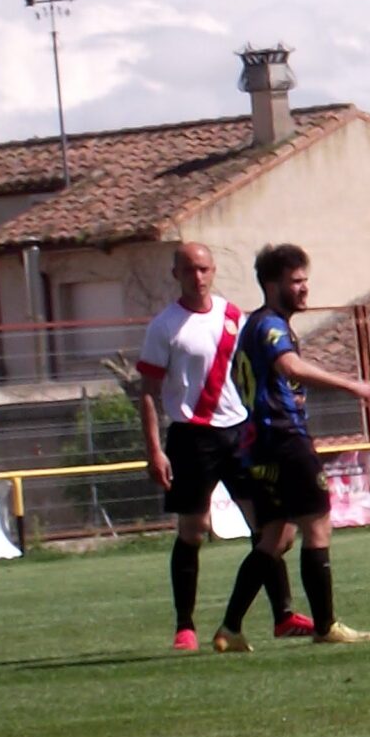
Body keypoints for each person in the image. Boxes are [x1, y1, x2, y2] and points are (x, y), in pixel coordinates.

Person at [220, 244, 370, 645]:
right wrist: (353, 385)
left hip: (260, 442)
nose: (304, 288)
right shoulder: (270, 326)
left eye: (305, 280)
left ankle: (230, 628)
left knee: (276, 536)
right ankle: (326, 626)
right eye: (295, 281)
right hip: (284, 438)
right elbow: (289, 366)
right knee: (318, 525)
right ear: (271, 285)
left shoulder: (255, 325)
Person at [135, 243, 262, 652]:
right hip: (191, 436)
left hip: (238, 431)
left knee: (266, 527)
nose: (198, 277)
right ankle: (184, 625)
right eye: (190, 270)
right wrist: (154, 449)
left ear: (214, 270)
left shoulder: (233, 317)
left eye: (204, 269)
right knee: (193, 530)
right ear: (176, 274)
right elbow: (149, 391)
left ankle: (282, 614)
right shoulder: (164, 326)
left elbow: (251, 373)